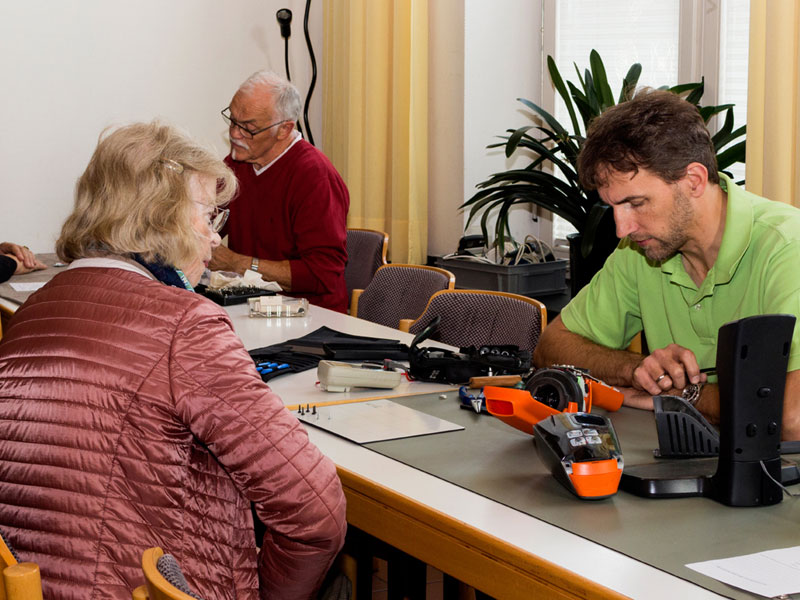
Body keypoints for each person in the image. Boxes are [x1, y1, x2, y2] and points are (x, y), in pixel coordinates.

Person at [0, 122, 347, 599]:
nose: (211, 240)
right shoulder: (185, 324)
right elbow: (315, 512)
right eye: (208, 217)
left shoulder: (32, 312)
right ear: (163, 221)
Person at [533, 88, 800, 441]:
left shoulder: (787, 247)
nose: (622, 228)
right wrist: (637, 370)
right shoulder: (640, 249)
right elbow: (552, 346)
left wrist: (683, 395)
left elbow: (791, 417)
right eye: (613, 207)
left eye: (636, 203)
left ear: (693, 181)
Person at [209, 69, 350, 313]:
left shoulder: (314, 176)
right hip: (252, 306)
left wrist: (236, 263)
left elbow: (322, 272)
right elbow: (205, 221)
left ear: (284, 130)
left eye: (248, 128)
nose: (234, 134)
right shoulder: (236, 165)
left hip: (311, 316)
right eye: (232, 120)